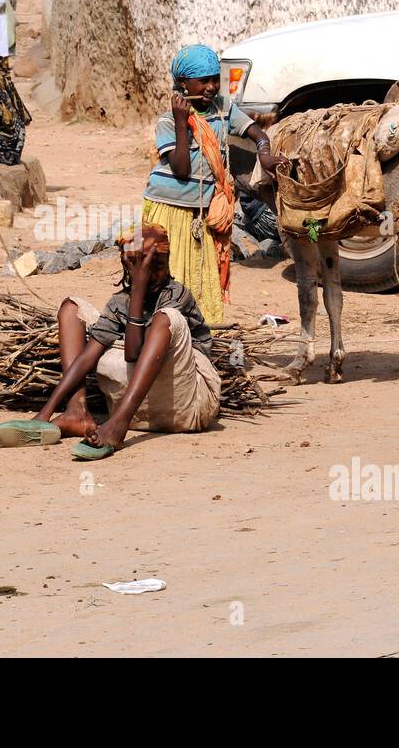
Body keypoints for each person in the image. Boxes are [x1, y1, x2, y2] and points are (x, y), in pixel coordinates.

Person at [25, 224, 221, 460]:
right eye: (141, 269)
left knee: (165, 318)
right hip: (145, 409)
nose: (150, 276)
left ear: (168, 262)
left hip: (188, 403)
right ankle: (76, 411)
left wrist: (138, 288)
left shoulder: (176, 294)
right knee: (71, 308)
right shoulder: (120, 302)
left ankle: (118, 425)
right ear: (128, 268)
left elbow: (133, 353)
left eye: (157, 266)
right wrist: (45, 413)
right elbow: (89, 356)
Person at [142, 44, 288, 324]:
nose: (211, 87)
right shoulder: (167, 120)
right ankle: (164, 327)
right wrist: (182, 122)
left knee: (200, 271)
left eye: (214, 79)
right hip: (169, 207)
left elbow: (259, 135)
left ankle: (198, 327)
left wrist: (265, 155)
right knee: (168, 273)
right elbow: (182, 170)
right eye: (203, 81)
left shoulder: (224, 109)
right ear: (183, 84)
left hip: (202, 211)